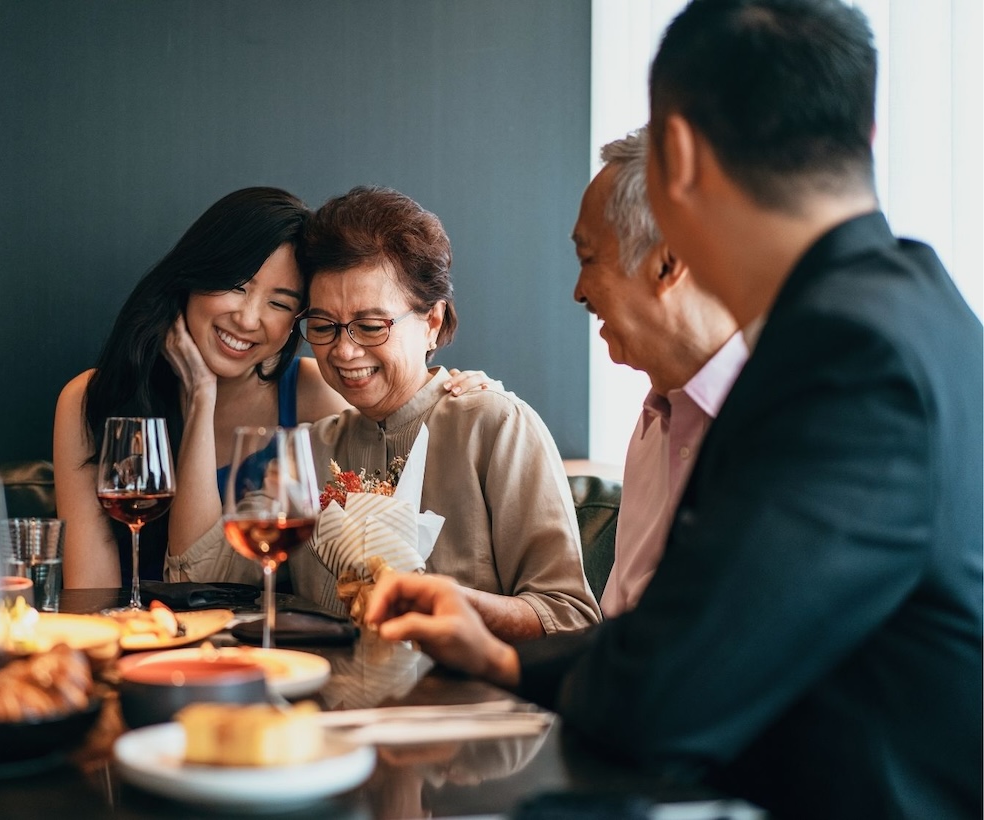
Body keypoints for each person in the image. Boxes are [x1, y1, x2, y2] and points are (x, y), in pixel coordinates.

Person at [365, 1, 983, 817]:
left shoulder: (844, 356)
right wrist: (502, 658)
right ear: (865, 132)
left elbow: (670, 695)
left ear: (679, 155)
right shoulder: (925, 305)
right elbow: (705, 629)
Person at [173, 186, 601, 640]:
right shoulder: (313, 449)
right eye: (324, 326)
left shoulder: (494, 428)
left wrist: (443, 600)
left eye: (371, 326)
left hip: (461, 686)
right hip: (328, 686)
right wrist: (203, 391)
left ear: (432, 322)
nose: (344, 350)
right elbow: (195, 577)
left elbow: (569, 616)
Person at [54, 187, 491, 589]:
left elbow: (396, 464)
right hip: (137, 635)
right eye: (235, 286)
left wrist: (451, 391)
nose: (248, 319)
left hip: (273, 639)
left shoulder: (317, 391)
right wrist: (200, 394)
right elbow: (91, 594)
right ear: (193, 277)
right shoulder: (91, 398)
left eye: (280, 303)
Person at [573, 127, 746, 616]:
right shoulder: (653, 423)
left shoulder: (778, 418)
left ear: (667, 263)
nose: (578, 291)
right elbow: (620, 624)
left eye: (588, 259)